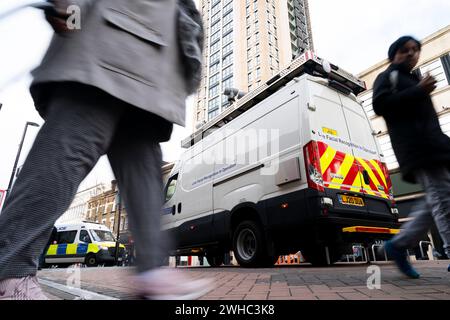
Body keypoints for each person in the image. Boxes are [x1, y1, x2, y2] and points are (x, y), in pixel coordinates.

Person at [0, 0, 212, 300]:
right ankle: (8, 270)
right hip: (109, 45)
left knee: (144, 164)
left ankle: (152, 271)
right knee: (72, 145)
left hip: (151, 69)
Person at [373, 36, 450, 278]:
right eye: (406, 50)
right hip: (419, 150)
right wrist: (418, 91)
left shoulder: (414, 79)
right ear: (393, 54)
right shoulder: (388, 77)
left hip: (436, 147)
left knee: (433, 202)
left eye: (416, 50)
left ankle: (397, 245)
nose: (412, 54)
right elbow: (380, 105)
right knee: (443, 199)